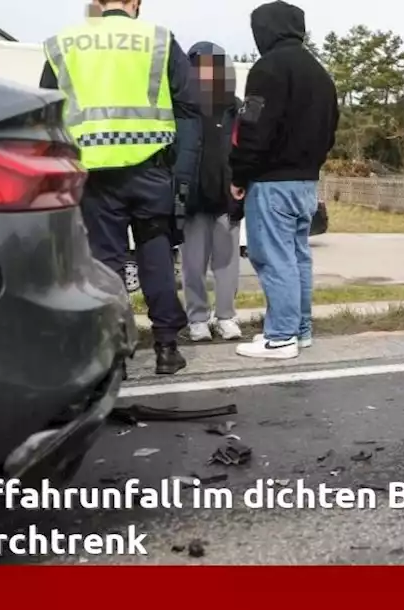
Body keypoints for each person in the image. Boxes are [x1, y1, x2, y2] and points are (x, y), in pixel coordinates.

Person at [39, 0, 199, 374]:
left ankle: (114, 356)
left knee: (105, 263)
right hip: (151, 170)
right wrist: (183, 174)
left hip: (92, 173)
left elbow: (48, 112)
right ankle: (166, 349)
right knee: (156, 256)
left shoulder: (65, 42)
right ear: (136, 3)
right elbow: (189, 109)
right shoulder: (158, 39)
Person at [230, 1, 338, 360]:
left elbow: (253, 127)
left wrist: (239, 173)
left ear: (266, 29)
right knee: (297, 258)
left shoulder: (268, 69)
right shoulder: (321, 74)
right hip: (306, 182)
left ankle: (281, 337)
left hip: (272, 181)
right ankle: (300, 331)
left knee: (273, 259)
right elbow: (330, 130)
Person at [178, 41, 244, 343]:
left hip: (226, 196)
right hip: (192, 198)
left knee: (227, 265)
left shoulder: (235, 107)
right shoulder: (181, 107)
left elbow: (245, 149)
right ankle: (198, 318)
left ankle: (227, 316)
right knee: (192, 265)